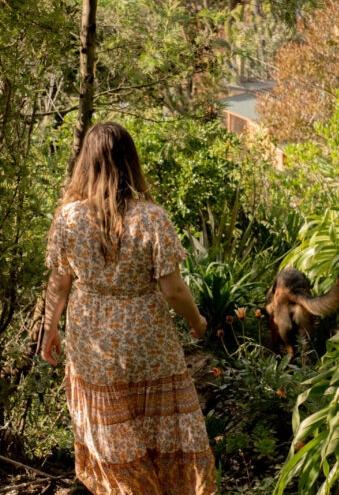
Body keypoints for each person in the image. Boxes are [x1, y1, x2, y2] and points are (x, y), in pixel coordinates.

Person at [40, 122, 216, 495]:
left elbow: (59, 282)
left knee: (112, 433)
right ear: (130, 161)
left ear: (86, 164)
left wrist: (49, 330)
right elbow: (172, 289)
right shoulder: (152, 218)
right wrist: (197, 322)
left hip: (93, 345)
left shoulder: (68, 219)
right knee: (161, 427)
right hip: (147, 344)